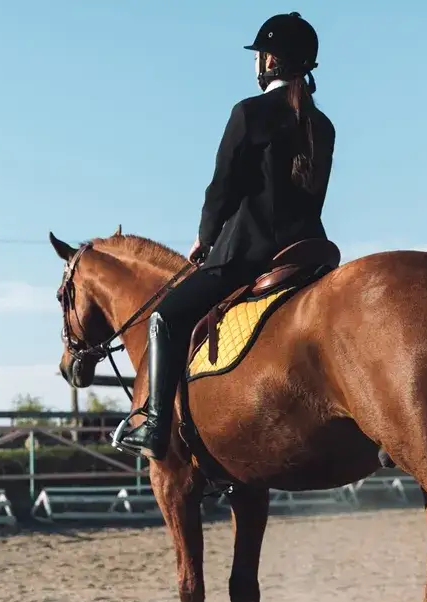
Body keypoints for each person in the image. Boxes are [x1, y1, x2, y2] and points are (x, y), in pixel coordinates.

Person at [115, 12, 336, 461]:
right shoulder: (323, 124)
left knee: (163, 318)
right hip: (309, 254)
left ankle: (155, 425)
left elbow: (222, 188)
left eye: (259, 55)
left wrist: (206, 237)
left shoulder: (248, 114)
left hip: (249, 254)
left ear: (269, 60)